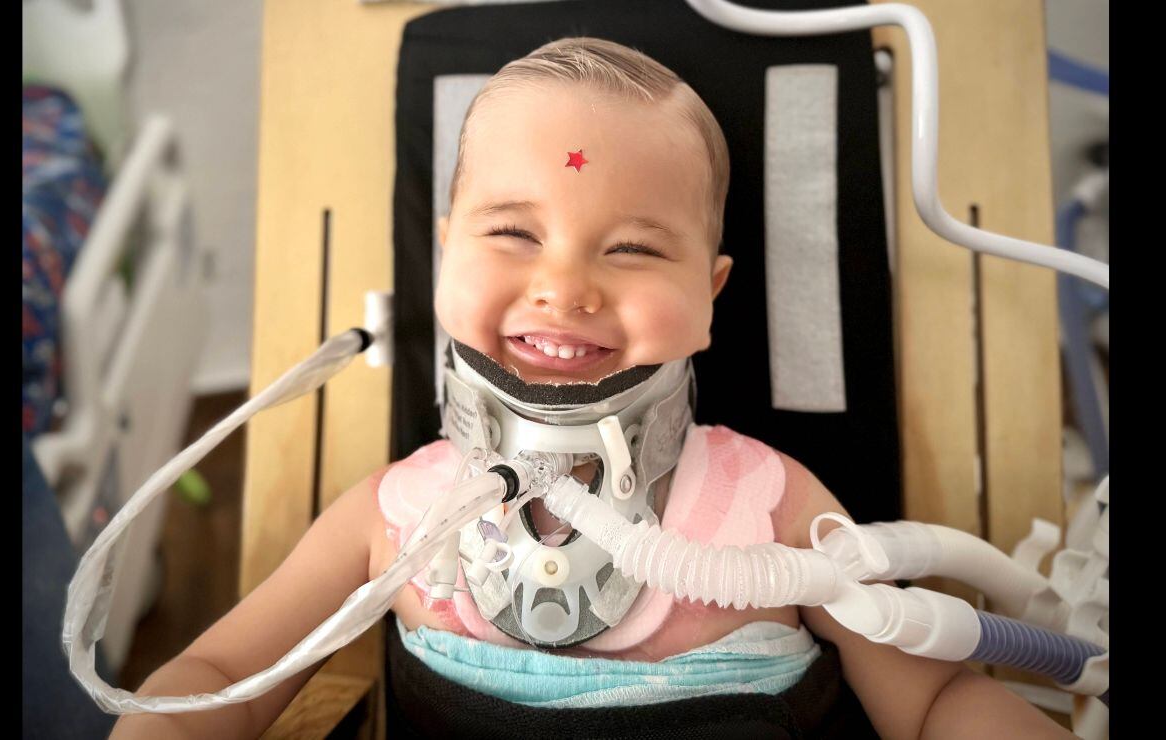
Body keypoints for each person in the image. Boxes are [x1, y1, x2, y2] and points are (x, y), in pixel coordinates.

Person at [113, 38, 1071, 739]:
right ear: (442, 255)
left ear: (710, 293)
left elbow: (935, 702)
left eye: (633, 249)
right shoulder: (394, 519)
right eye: (512, 234)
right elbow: (219, 676)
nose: (563, 287)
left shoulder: (773, 512)